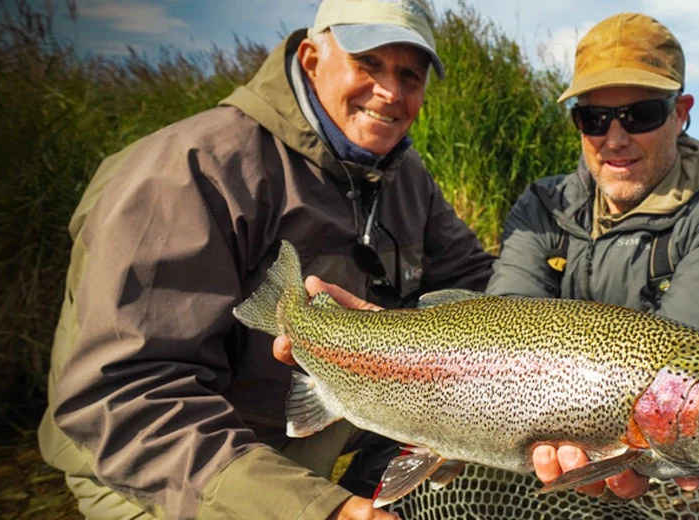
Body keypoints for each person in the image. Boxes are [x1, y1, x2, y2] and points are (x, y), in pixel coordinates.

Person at [36, 0, 494, 518]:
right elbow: (126, 399)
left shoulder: (404, 176)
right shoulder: (190, 171)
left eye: (410, 75)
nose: (391, 92)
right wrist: (315, 508)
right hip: (156, 465)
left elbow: (477, 282)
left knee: (490, 448)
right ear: (311, 60)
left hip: (322, 414)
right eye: (368, 63)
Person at [484, 12, 699, 520]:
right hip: (572, 435)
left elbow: (686, 380)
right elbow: (502, 334)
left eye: (640, 114)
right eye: (594, 118)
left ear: (680, 113)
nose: (615, 138)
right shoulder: (542, 206)